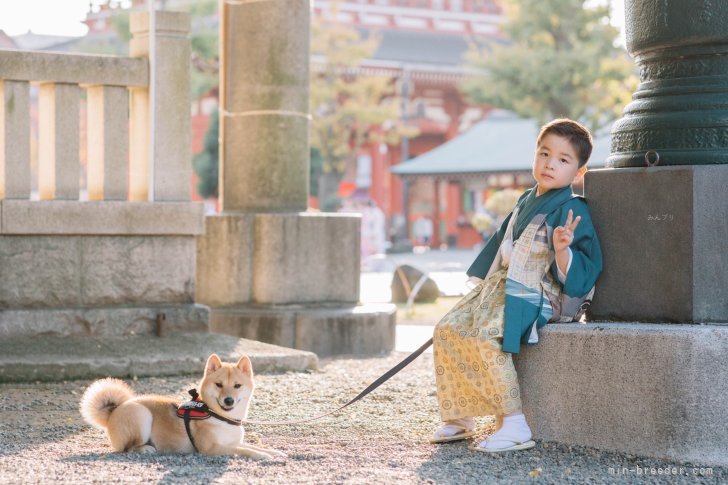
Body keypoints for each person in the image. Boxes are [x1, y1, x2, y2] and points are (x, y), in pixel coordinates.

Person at [430, 119, 603, 453]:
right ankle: (462, 415)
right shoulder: (526, 199)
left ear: (579, 172)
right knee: (448, 328)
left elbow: (585, 268)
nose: (551, 163)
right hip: (506, 286)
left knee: (484, 335)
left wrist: (564, 249)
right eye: (544, 153)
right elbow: (501, 245)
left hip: (541, 294)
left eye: (564, 160)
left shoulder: (572, 209)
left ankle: (514, 423)